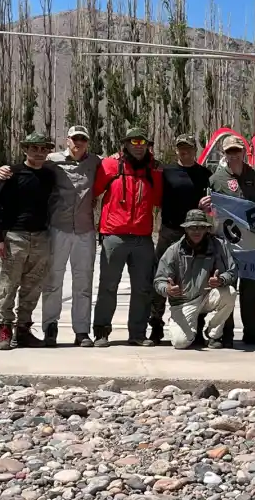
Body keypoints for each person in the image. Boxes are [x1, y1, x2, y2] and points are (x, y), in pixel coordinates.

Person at [0, 125, 100, 347]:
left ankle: (82, 331)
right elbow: (26, 167)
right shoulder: (51, 160)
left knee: (83, 284)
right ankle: (49, 328)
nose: (78, 143)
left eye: (83, 139)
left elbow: (120, 161)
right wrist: (3, 169)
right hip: (56, 229)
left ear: (87, 142)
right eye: (74, 139)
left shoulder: (96, 161)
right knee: (51, 282)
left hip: (84, 230)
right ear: (67, 140)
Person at [91, 127, 163, 348]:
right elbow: (93, 193)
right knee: (108, 286)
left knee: (142, 288)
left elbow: (159, 200)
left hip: (142, 238)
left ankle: (138, 334)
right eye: (134, 143)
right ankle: (101, 332)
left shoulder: (154, 170)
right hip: (114, 236)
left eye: (143, 144)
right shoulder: (110, 165)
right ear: (125, 144)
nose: (138, 147)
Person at [0, 133, 58, 350]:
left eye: (43, 149)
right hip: (14, 238)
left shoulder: (49, 175)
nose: (39, 153)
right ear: (25, 150)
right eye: (34, 148)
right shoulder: (11, 173)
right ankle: (5, 330)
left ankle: (24, 330)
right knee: (8, 286)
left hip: (41, 237)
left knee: (32, 287)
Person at [205, 134, 255, 347]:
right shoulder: (216, 179)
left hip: (252, 243)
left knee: (252, 290)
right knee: (228, 289)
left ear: (244, 153)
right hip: (226, 244)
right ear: (224, 154)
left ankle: (252, 332)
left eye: (237, 151)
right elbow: (210, 213)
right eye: (229, 152)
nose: (234, 155)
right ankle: (225, 333)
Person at [149, 134, 214, 346]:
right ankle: (156, 324)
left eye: (188, 148)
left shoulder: (205, 174)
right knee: (162, 275)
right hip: (170, 230)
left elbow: (214, 205)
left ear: (195, 150)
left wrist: (209, 206)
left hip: (196, 233)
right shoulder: (165, 172)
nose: (184, 151)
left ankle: (197, 325)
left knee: (198, 279)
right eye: (180, 148)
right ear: (176, 150)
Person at [153, 209, 238, 349]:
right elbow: (159, 280)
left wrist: (221, 280)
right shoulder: (174, 250)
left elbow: (232, 271)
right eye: (192, 227)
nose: (196, 231)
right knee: (180, 343)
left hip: (207, 296)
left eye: (201, 227)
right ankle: (188, 328)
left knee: (230, 293)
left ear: (206, 229)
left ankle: (213, 334)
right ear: (186, 229)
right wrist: (167, 290)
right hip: (183, 302)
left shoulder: (218, 246)